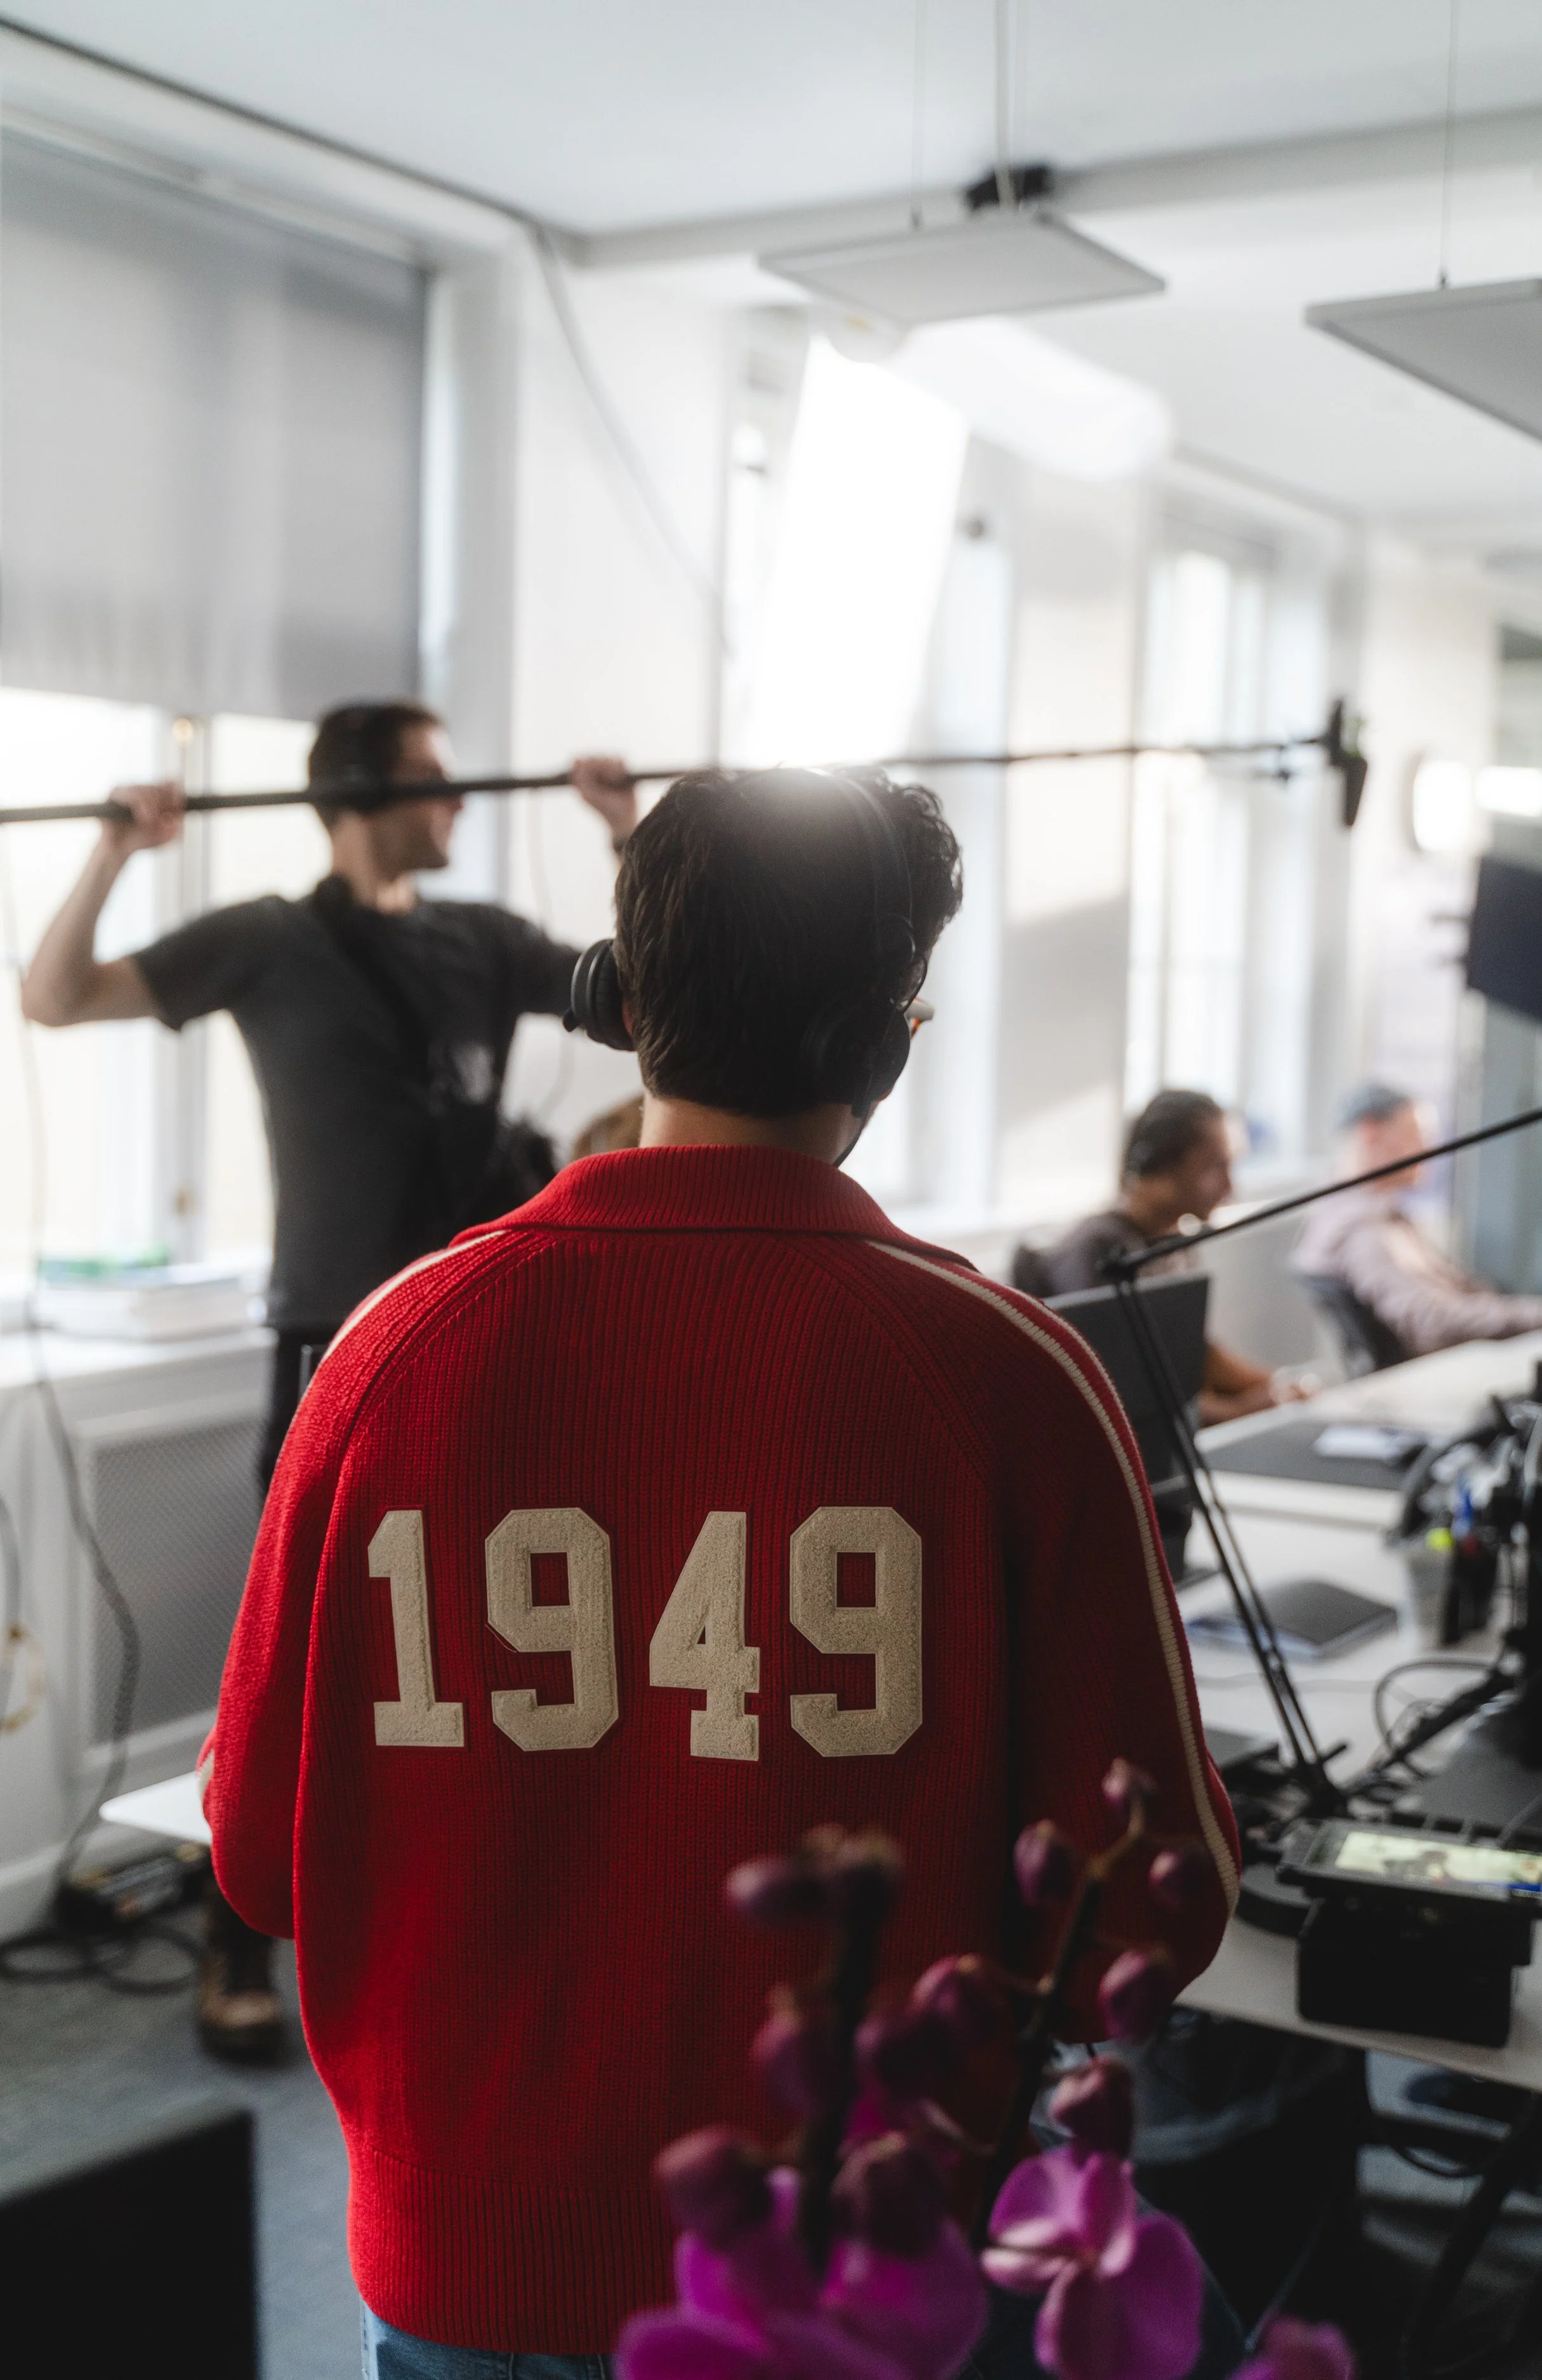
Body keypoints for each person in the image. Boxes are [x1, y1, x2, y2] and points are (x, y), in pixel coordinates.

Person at [201, 766, 1240, 2377]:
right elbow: (1151, 1924)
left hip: (453, 2264)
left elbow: (262, 1860)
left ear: (621, 1001)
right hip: (847, 2290)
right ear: (878, 1046)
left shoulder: (383, 1354)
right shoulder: (1015, 1379)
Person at [22, 700, 637, 2062]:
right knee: (299, 1659)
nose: (459, 800)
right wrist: (120, 848)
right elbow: (54, 997)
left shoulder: (481, 941)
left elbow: (656, 996)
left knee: (494, 1642)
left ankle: (465, 1927)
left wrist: (627, 834)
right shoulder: (266, 941)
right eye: (432, 776)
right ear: (357, 790)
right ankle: (240, 1942)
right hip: (329, 1354)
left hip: (481, 1343)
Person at [1013, 1089, 1308, 1425]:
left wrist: (1279, 1385)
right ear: (1162, 1163)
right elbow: (1126, 1398)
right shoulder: (1095, 1253)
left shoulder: (1170, 1242)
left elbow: (1196, 1351)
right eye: (1216, 1165)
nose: (1230, 1187)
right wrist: (1254, 1407)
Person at [1294, 1081, 1542, 1360]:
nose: (1428, 1149)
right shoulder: (1360, 1230)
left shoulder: (1377, 1213)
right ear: (1371, 1132)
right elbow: (1431, 1321)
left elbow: (1456, 1293)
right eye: (1416, 1134)